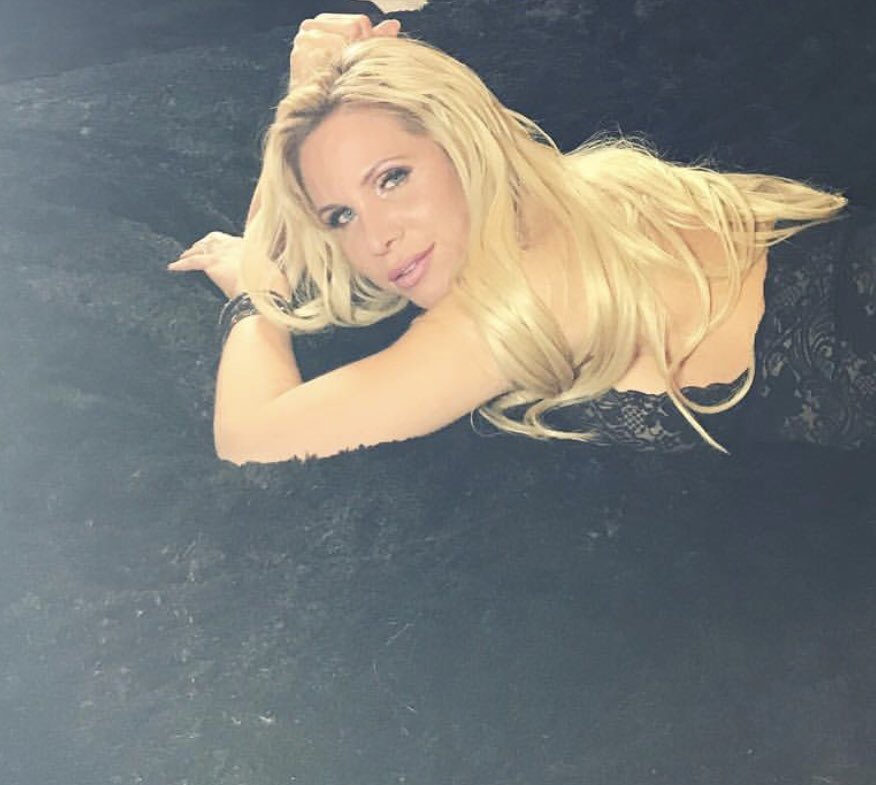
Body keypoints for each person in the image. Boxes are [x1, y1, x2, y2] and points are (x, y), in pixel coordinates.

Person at [167, 13, 874, 464]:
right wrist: (317, 105)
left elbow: (251, 438)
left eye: (392, 179)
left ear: (462, 146)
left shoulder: (494, 315)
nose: (378, 239)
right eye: (340, 217)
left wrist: (257, 293)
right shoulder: (600, 181)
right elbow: (472, 121)